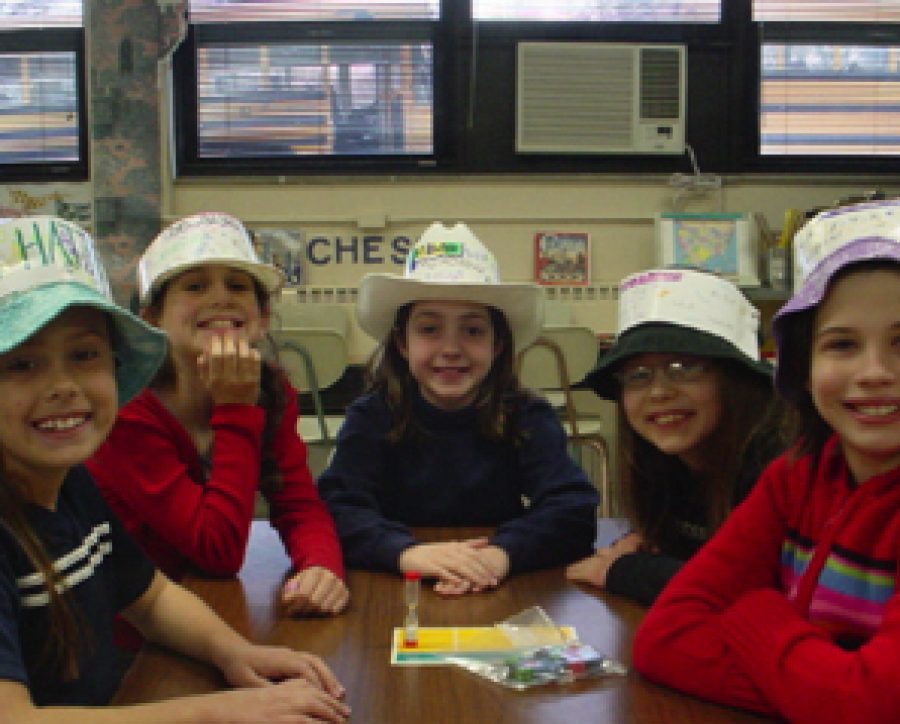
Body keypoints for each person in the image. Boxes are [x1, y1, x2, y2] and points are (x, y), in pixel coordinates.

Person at [0, 215, 350, 724]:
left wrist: (233, 655)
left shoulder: (67, 483)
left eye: (83, 356)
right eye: (21, 363)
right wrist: (218, 714)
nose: (63, 386)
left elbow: (152, 596)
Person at [632, 199, 900, 724]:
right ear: (803, 369)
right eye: (843, 345)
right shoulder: (797, 476)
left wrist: (756, 612)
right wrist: (824, 694)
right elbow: (664, 637)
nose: (874, 371)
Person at [87, 213, 348, 621]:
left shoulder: (270, 390)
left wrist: (319, 567)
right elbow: (217, 552)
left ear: (262, 318)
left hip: (212, 612)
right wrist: (235, 408)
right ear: (153, 318)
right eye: (194, 286)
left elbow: (299, 504)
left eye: (238, 286)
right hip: (133, 636)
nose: (220, 298)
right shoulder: (127, 410)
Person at [317, 221, 598, 594]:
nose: (451, 348)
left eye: (473, 331)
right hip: (395, 587)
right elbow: (338, 510)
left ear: (498, 345)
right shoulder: (372, 417)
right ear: (402, 343)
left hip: (497, 583)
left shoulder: (526, 414)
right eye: (430, 329)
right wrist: (405, 553)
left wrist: (501, 554)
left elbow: (573, 510)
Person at [566, 268, 784, 606]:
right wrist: (651, 547)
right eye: (637, 375)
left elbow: (748, 591)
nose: (658, 392)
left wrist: (625, 571)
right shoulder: (665, 464)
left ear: (735, 381)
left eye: (684, 368)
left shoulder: (777, 467)